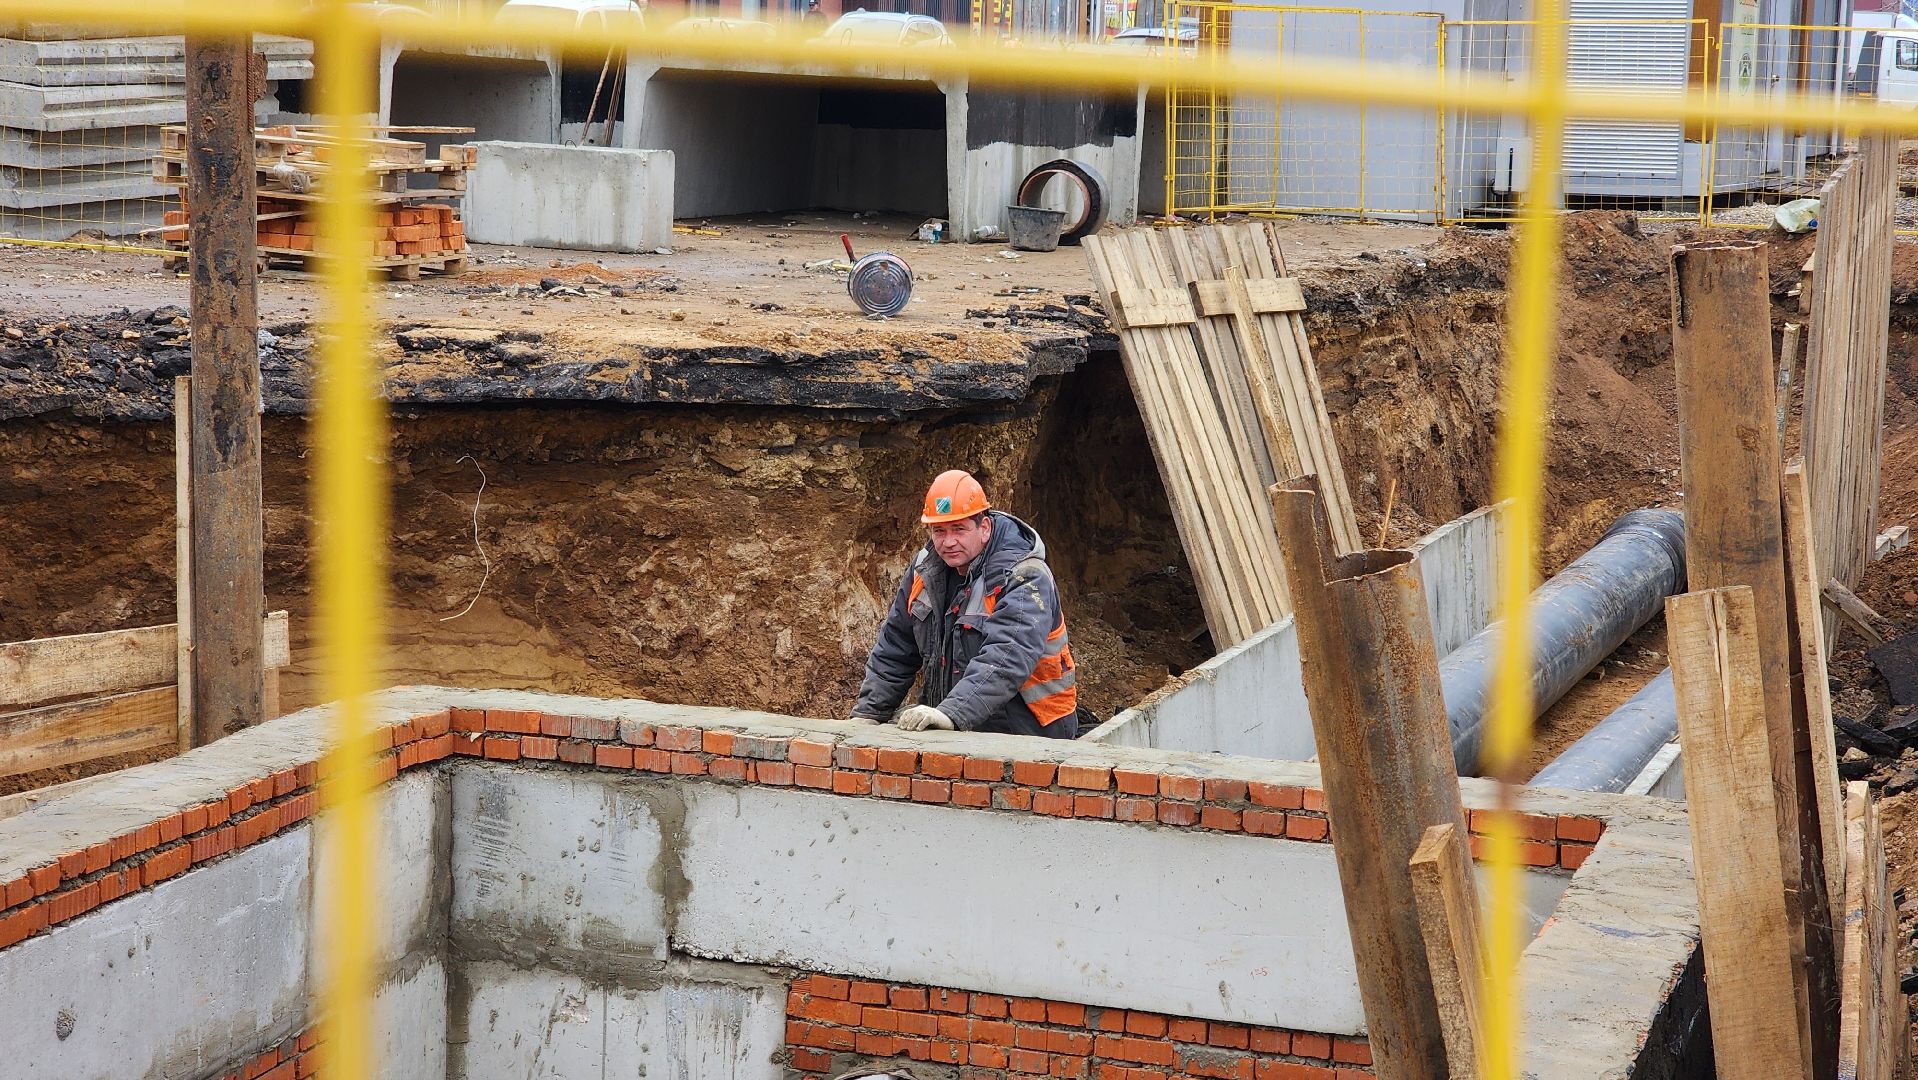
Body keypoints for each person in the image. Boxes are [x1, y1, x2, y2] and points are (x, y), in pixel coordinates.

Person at [850, 470, 1079, 739]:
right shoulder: (926, 569)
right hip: (956, 725)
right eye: (939, 531)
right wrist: (868, 715)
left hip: (1030, 731)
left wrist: (952, 714)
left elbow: (1006, 656)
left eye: (959, 529)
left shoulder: (1024, 575)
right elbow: (896, 646)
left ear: (984, 528)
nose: (948, 542)